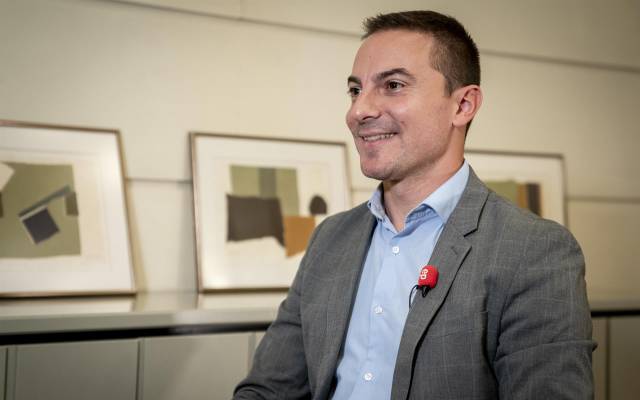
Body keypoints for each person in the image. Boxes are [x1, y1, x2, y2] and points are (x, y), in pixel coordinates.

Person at [234, 10, 593, 400]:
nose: (358, 111)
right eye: (355, 90)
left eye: (393, 85)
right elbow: (269, 389)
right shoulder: (329, 239)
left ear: (463, 105)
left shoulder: (534, 251)